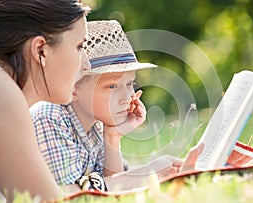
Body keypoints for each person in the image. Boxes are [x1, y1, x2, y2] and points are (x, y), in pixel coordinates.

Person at [30, 20, 201, 192]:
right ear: (74, 87)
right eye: (112, 86)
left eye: (129, 84)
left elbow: (115, 188)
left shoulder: (95, 126)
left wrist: (113, 136)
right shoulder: (50, 117)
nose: (127, 97)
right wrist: (148, 174)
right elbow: (75, 197)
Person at [0, 0, 90, 201]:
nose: (87, 64)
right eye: (79, 46)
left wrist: (137, 178)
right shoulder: (3, 92)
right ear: (41, 50)